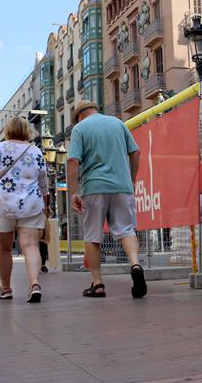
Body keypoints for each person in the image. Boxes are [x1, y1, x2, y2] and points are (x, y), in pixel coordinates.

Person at [67, 100, 145, 299]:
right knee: (126, 230)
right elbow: (135, 152)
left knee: (93, 236)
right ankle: (135, 264)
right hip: (122, 185)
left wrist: (73, 191)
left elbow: (73, 161)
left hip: (94, 186)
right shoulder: (117, 123)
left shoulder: (80, 128)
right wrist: (132, 179)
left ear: (79, 116)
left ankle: (97, 283)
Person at [0, 116, 48, 303]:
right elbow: (43, 183)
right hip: (31, 204)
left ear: (7, 130)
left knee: (4, 248)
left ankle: (5, 288)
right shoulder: (36, 151)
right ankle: (34, 284)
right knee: (31, 245)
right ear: (26, 131)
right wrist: (46, 205)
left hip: (3, 205)